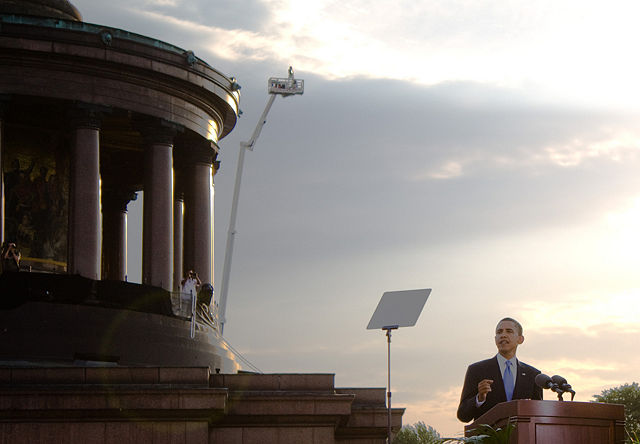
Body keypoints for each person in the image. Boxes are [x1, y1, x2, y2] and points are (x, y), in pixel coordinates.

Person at [457, 317, 543, 423]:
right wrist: (479, 398)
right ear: (495, 339)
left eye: (509, 331)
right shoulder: (477, 370)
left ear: (520, 339)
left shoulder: (534, 375)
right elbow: (463, 415)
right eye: (499, 332)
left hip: (523, 437)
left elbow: (538, 416)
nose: (503, 335)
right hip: (489, 438)